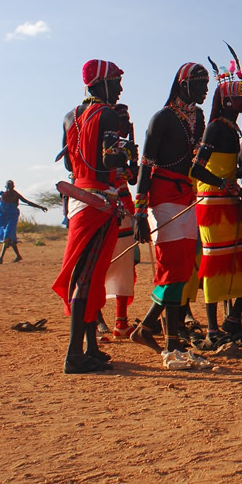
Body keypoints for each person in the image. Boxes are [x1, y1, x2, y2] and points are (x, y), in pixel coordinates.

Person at [130, 63, 213, 370]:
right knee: (172, 269)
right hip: (162, 199)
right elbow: (146, 166)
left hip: (186, 196)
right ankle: (171, 347)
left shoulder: (199, 118)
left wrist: (224, 182)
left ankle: (146, 330)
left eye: (207, 85)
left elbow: (194, 163)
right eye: (200, 84)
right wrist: (140, 213)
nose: (205, 90)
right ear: (183, 85)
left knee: (182, 269)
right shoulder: (162, 118)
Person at [52, 59, 131, 373]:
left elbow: (70, 167)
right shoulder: (108, 114)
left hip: (80, 198)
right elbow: (110, 156)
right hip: (100, 199)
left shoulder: (71, 115)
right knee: (87, 277)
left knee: (91, 273)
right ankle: (74, 354)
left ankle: (91, 347)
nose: (120, 88)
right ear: (101, 84)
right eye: (116, 82)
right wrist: (126, 149)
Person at [192, 58, 242, 349]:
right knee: (216, 263)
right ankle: (212, 329)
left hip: (231, 202)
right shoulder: (216, 128)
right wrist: (223, 183)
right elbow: (198, 169)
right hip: (214, 205)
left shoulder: (232, 129)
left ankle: (233, 320)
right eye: (240, 96)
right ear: (228, 101)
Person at [102, 103, 139, 338]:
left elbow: (133, 179)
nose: (125, 126)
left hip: (125, 208)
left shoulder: (125, 145)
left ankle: (121, 321)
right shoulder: (103, 145)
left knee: (126, 267)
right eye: (122, 122)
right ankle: (95, 321)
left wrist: (133, 157)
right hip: (106, 207)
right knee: (100, 265)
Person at [0, 180, 47, 263]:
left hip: (12, 218)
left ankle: (1, 259)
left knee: (7, 236)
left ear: (13, 187)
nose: (9, 189)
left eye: (11, 187)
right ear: (6, 187)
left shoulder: (16, 194)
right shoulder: (3, 195)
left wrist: (40, 207)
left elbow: (27, 202)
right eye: (8, 187)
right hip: (4, 219)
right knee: (10, 238)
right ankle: (18, 256)